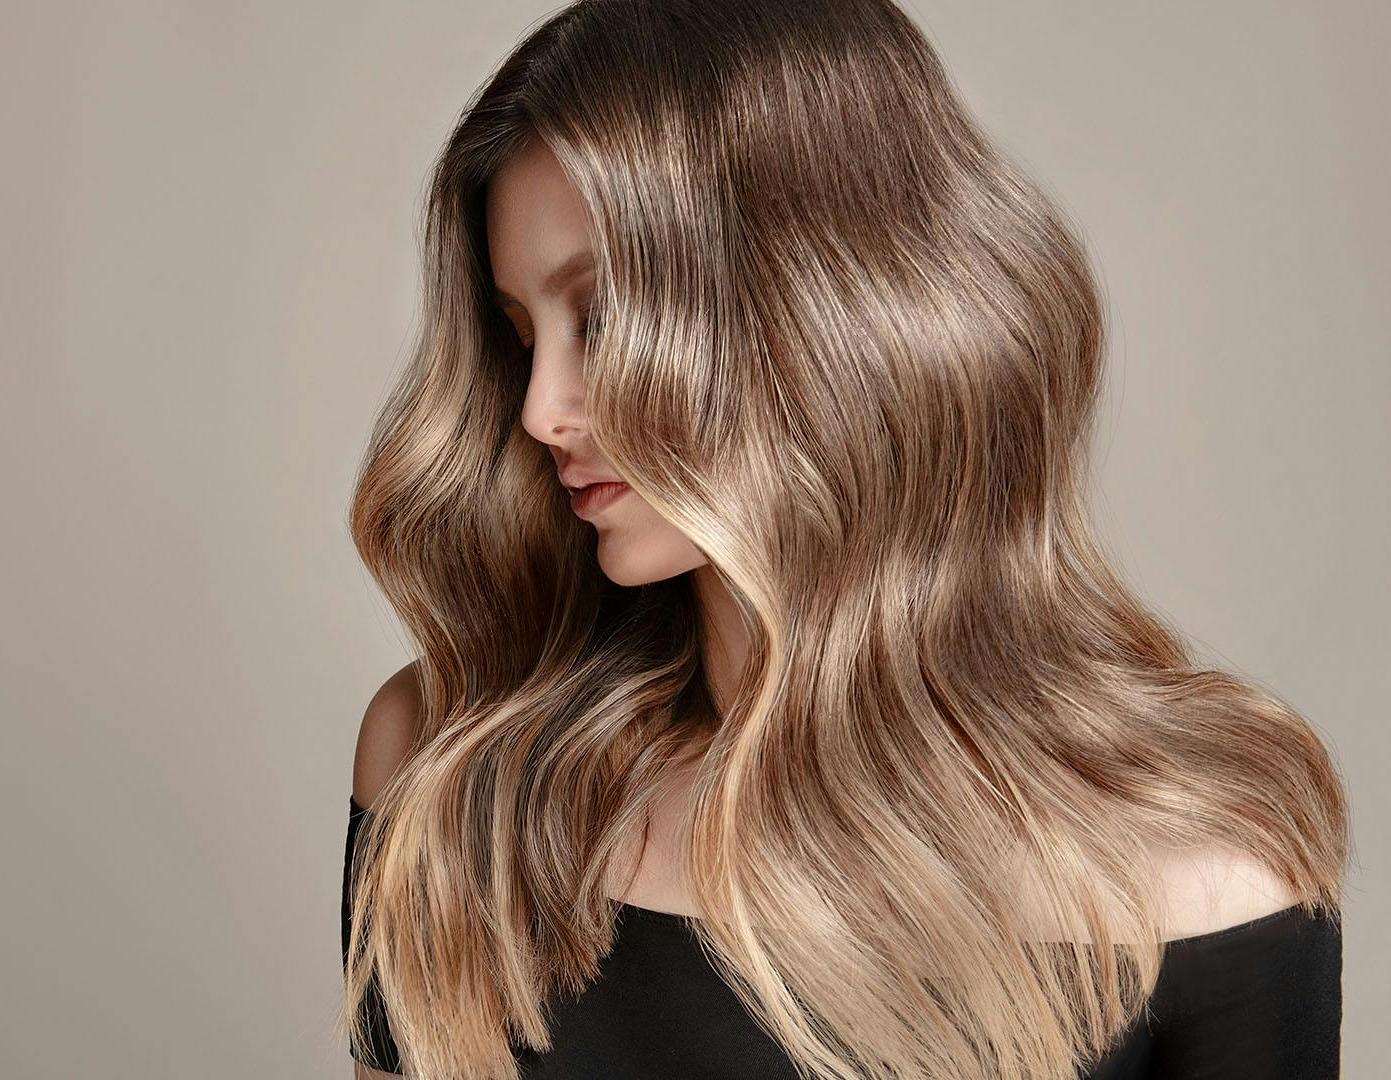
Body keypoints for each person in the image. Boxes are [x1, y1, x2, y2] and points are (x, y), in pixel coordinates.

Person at [337, 2, 1348, 1077]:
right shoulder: (451, 776)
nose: (542, 409)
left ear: (831, 312)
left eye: (605, 318)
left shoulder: (1200, 868)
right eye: (521, 333)